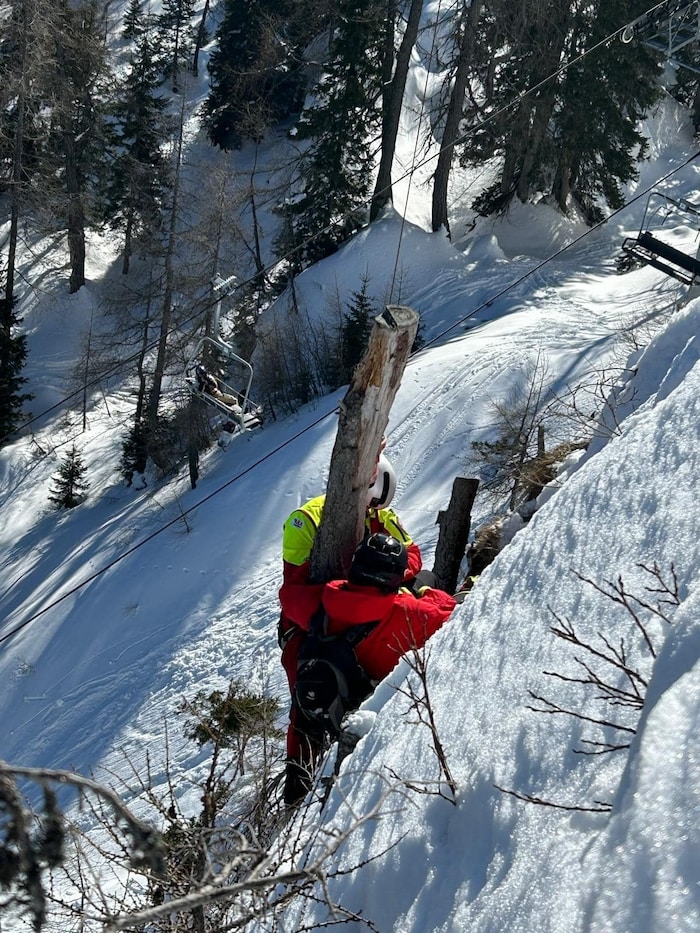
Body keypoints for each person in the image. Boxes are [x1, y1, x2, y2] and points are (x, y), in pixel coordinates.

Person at [279, 453, 426, 802]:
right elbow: (294, 591)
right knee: (308, 695)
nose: (374, 511)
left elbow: (412, 555)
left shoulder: (381, 515)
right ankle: (297, 785)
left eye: (377, 506)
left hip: (355, 612)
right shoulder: (305, 521)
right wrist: (335, 609)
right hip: (310, 621)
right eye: (372, 503)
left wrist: (375, 580)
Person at [284, 532, 456, 804]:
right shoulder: (407, 612)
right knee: (429, 579)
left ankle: (294, 792)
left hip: (323, 707)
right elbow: (449, 611)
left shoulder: (322, 600)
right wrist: (424, 590)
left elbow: (289, 596)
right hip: (366, 715)